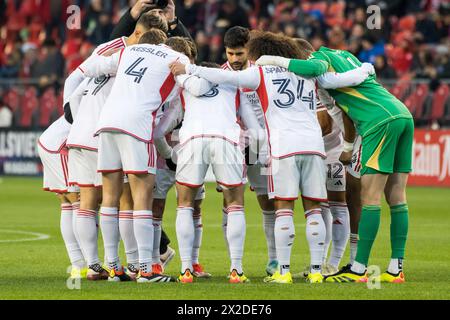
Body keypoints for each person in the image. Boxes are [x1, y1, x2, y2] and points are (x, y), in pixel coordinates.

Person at [169, 31, 374, 284]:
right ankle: (317, 270)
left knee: (281, 207)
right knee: (314, 208)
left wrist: (188, 68)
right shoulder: (310, 73)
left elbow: (221, 76)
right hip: (310, 146)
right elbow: (337, 80)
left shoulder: (260, 72)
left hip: (279, 145)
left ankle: (282, 270)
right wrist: (366, 69)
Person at [257, 44, 413, 284]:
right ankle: (396, 269)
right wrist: (348, 147)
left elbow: (314, 68)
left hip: (378, 121)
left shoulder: (320, 58)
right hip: (402, 113)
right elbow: (345, 111)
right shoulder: (347, 56)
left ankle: (358, 268)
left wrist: (272, 60)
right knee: (397, 196)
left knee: (370, 198)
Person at [80, 35, 209, 283]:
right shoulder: (178, 59)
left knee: (109, 197)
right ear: (186, 53)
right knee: (142, 197)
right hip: (138, 125)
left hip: (106, 122)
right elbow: (195, 90)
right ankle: (145, 271)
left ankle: (113, 268)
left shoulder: (132, 49)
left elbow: (91, 66)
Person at [65, 15, 170, 281]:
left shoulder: (118, 55)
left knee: (93, 201)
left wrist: (70, 112)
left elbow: (82, 74)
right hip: (123, 129)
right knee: (133, 198)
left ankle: (106, 266)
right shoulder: (159, 58)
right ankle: (142, 267)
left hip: (91, 130)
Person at [168, 61, 264, 283]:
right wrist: (249, 159)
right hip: (226, 141)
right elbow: (257, 133)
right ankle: (236, 270)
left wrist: (168, 154)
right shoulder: (234, 88)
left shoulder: (185, 89)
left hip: (192, 140)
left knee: (184, 204)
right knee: (235, 204)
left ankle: (185, 270)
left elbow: (163, 127)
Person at [220, 26, 279, 276]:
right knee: (230, 200)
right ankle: (234, 264)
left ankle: (275, 260)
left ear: (249, 51)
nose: (234, 59)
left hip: (261, 144)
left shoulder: (261, 72)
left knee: (268, 201)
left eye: (240, 53)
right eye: (231, 53)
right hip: (233, 145)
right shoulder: (220, 74)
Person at [152, 40, 211, 279]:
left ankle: (193, 263)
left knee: (195, 208)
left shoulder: (196, 85)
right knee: (157, 207)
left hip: (190, 153)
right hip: (163, 155)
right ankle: (155, 261)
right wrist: (168, 155)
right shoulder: (159, 85)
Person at [37, 116, 91, 280]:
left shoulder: (84, 96)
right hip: (58, 146)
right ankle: (88, 264)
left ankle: (79, 264)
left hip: (49, 142)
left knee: (67, 202)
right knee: (79, 201)